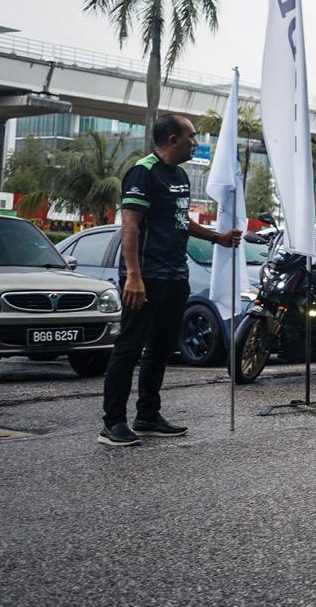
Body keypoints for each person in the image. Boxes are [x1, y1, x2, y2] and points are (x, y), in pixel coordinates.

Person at [99, 114, 242, 447]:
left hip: (176, 275)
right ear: (173, 139)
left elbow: (180, 219)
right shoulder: (143, 172)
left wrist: (216, 237)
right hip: (145, 276)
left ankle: (148, 417)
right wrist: (134, 276)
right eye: (192, 137)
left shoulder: (179, 175)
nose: (196, 143)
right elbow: (130, 227)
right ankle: (112, 423)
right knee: (129, 348)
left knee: (161, 347)